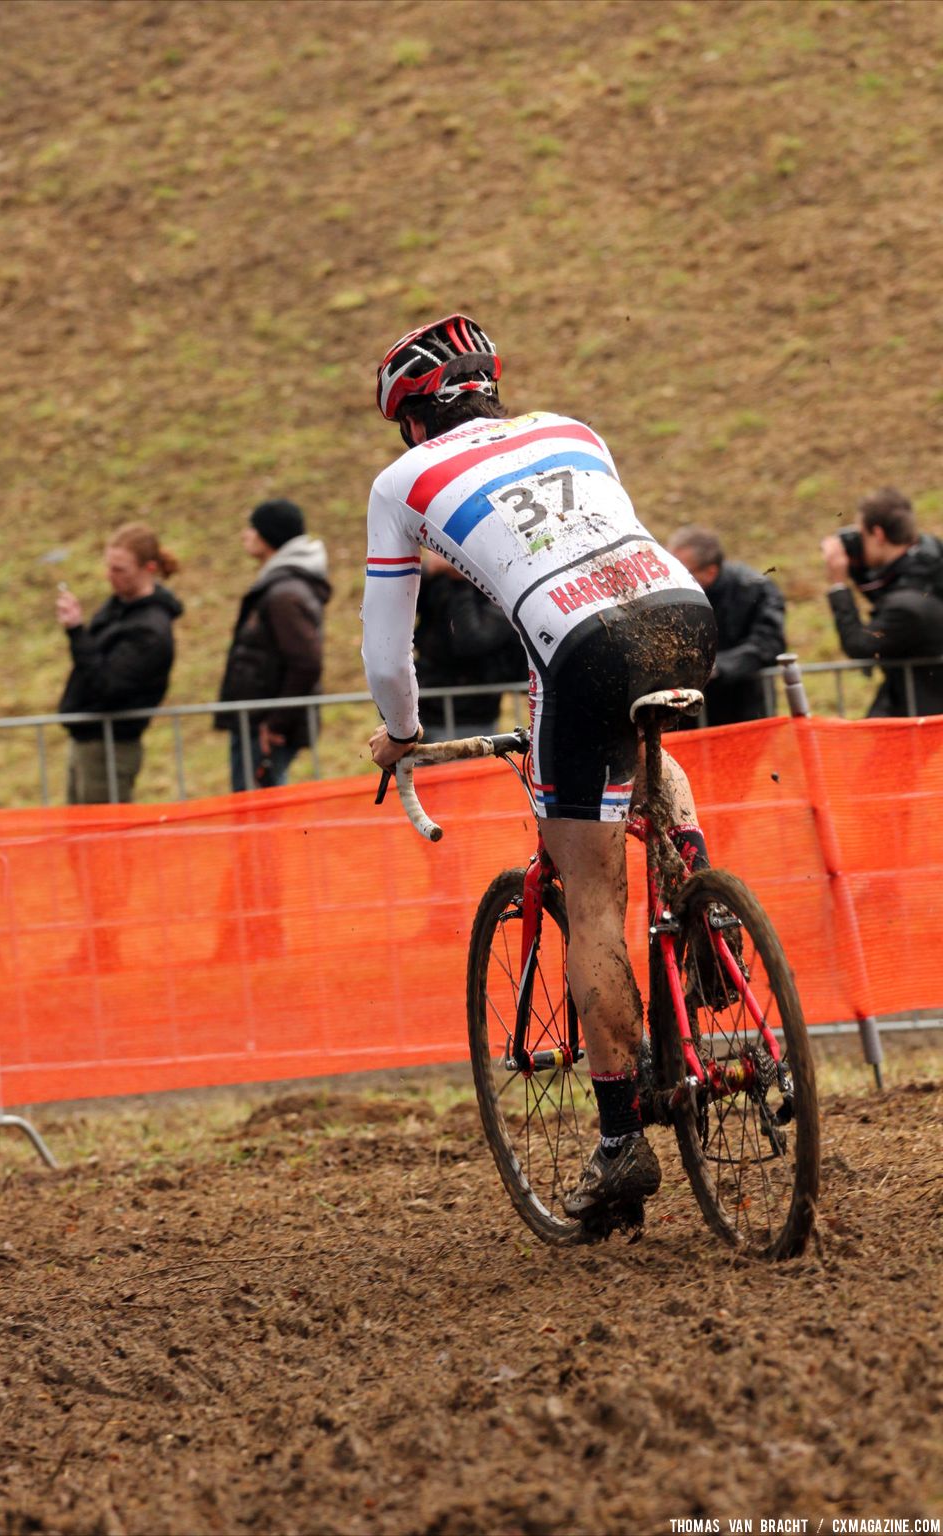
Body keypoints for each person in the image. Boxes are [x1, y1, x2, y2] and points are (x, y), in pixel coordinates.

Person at [361, 313, 716, 1225]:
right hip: (682, 605)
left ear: (411, 421)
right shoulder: (571, 428)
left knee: (593, 895)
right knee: (643, 741)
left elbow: (387, 657)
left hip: (580, 644)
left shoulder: (402, 481)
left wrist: (401, 732)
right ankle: (697, 882)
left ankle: (620, 1143)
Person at [56, 522, 183, 804]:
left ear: (148, 569)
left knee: (102, 839)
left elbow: (108, 684)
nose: (110, 577)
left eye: (120, 570)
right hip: (89, 740)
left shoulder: (150, 630)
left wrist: (77, 632)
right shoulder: (118, 607)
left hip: (110, 747)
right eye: (109, 567)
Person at [216, 498, 331, 790]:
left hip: (264, 731)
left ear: (269, 535)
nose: (246, 535)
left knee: (256, 817)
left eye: (252, 529)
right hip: (256, 724)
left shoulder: (284, 593)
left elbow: (306, 663)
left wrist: (276, 724)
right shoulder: (281, 585)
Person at [821, 488, 943, 717]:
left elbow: (859, 644)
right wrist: (857, 567)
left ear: (878, 535)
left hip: (921, 715)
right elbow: (887, 596)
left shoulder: (906, 607)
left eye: (861, 535)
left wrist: (838, 583)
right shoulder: (930, 565)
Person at [666, 526, 786, 725]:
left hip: (745, 709)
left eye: (681, 570)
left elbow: (769, 643)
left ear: (710, 571)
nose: (671, 577)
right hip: (690, 717)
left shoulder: (756, 589)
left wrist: (718, 668)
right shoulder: (669, 597)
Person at [415, 551, 528, 741]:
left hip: (470, 716)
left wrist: (461, 582)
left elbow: (470, 641)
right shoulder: (441, 579)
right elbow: (394, 608)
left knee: (462, 770)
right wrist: (427, 570)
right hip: (421, 707)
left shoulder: (502, 591)